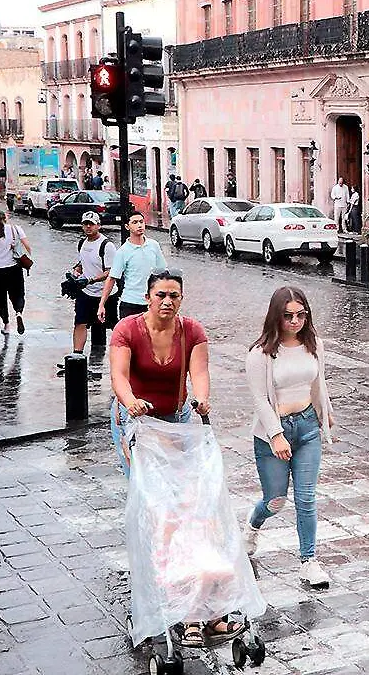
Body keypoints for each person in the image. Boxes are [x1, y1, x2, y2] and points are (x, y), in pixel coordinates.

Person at [107, 269, 241, 646]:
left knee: (191, 504)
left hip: (178, 418)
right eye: (161, 294)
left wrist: (201, 398)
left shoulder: (192, 331)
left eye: (174, 295)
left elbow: (200, 372)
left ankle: (202, 599)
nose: (167, 301)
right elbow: (118, 376)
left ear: (181, 299)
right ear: (148, 297)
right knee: (158, 506)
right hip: (138, 423)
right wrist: (131, 401)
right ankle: (169, 595)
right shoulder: (128, 330)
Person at [245, 286, 336, 590]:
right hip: (274, 432)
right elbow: (259, 399)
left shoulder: (314, 345)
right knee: (276, 500)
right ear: (276, 316)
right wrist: (276, 435)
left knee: (307, 497)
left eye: (301, 314)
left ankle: (309, 562)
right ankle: (252, 526)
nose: (295, 321)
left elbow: (317, 382)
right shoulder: (261, 353)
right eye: (288, 316)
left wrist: (325, 412)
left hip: (307, 428)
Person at [98, 212, 167, 323]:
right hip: (130, 304)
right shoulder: (123, 252)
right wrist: (101, 305)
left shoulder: (154, 246)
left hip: (152, 303)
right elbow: (111, 278)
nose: (139, 225)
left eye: (141, 222)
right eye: (135, 222)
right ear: (127, 226)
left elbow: (163, 273)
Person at [70, 212, 118, 353]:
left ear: (99, 225)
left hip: (106, 294)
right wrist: (76, 271)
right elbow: (82, 261)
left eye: (92, 224)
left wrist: (91, 280)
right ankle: (76, 355)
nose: (88, 227)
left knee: (113, 325)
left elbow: (111, 272)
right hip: (86, 292)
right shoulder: (82, 243)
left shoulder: (107, 245)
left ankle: (126, 353)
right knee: (80, 322)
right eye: (86, 224)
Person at [0, 210, 31, 335]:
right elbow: (27, 246)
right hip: (13, 268)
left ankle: (6, 325)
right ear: (6, 218)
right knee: (18, 294)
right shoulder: (16, 229)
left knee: (0, 298)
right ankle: (19, 313)